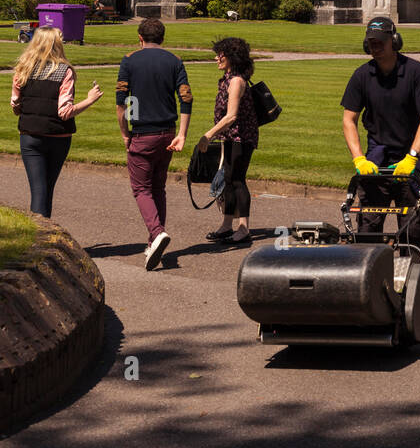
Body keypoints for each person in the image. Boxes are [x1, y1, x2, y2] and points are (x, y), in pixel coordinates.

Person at [340, 15, 420, 260]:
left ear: (394, 41)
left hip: (410, 163)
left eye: (380, 42)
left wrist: (412, 157)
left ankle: (412, 285)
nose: (375, 47)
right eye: (371, 42)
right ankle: (369, 285)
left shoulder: (417, 72)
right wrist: (359, 160)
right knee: (367, 230)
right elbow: (348, 119)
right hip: (377, 162)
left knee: (412, 233)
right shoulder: (361, 76)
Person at [116, 18, 192, 271]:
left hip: (143, 132)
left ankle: (157, 232)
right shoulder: (175, 61)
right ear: (162, 37)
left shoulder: (129, 60)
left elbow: (122, 102)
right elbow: (186, 99)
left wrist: (125, 132)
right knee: (158, 187)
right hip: (167, 132)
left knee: (141, 189)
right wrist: (181, 133)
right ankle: (154, 241)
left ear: (140, 37)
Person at [11, 27, 103, 218]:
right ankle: (43, 239)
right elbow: (65, 112)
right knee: (46, 189)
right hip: (57, 136)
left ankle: (42, 236)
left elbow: (16, 106)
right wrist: (90, 100)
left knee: (39, 190)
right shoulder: (64, 71)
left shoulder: (22, 69)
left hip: (30, 134)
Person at [196, 37, 258, 248]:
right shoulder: (227, 78)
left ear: (231, 57)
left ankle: (244, 228)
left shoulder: (236, 81)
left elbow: (231, 116)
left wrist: (208, 135)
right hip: (231, 136)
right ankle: (226, 225)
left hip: (242, 137)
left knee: (238, 179)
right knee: (229, 180)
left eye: (220, 54)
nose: (216, 58)